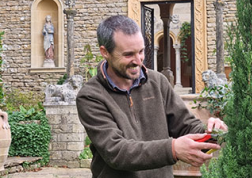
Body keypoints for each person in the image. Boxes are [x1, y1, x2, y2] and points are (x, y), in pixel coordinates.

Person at [76, 15, 228, 178]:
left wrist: (210, 133)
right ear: (105, 52)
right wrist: (173, 149)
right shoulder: (90, 96)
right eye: (128, 54)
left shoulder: (157, 82)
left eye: (141, 51)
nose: (138, 61)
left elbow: (185, 125)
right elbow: (117, 151)